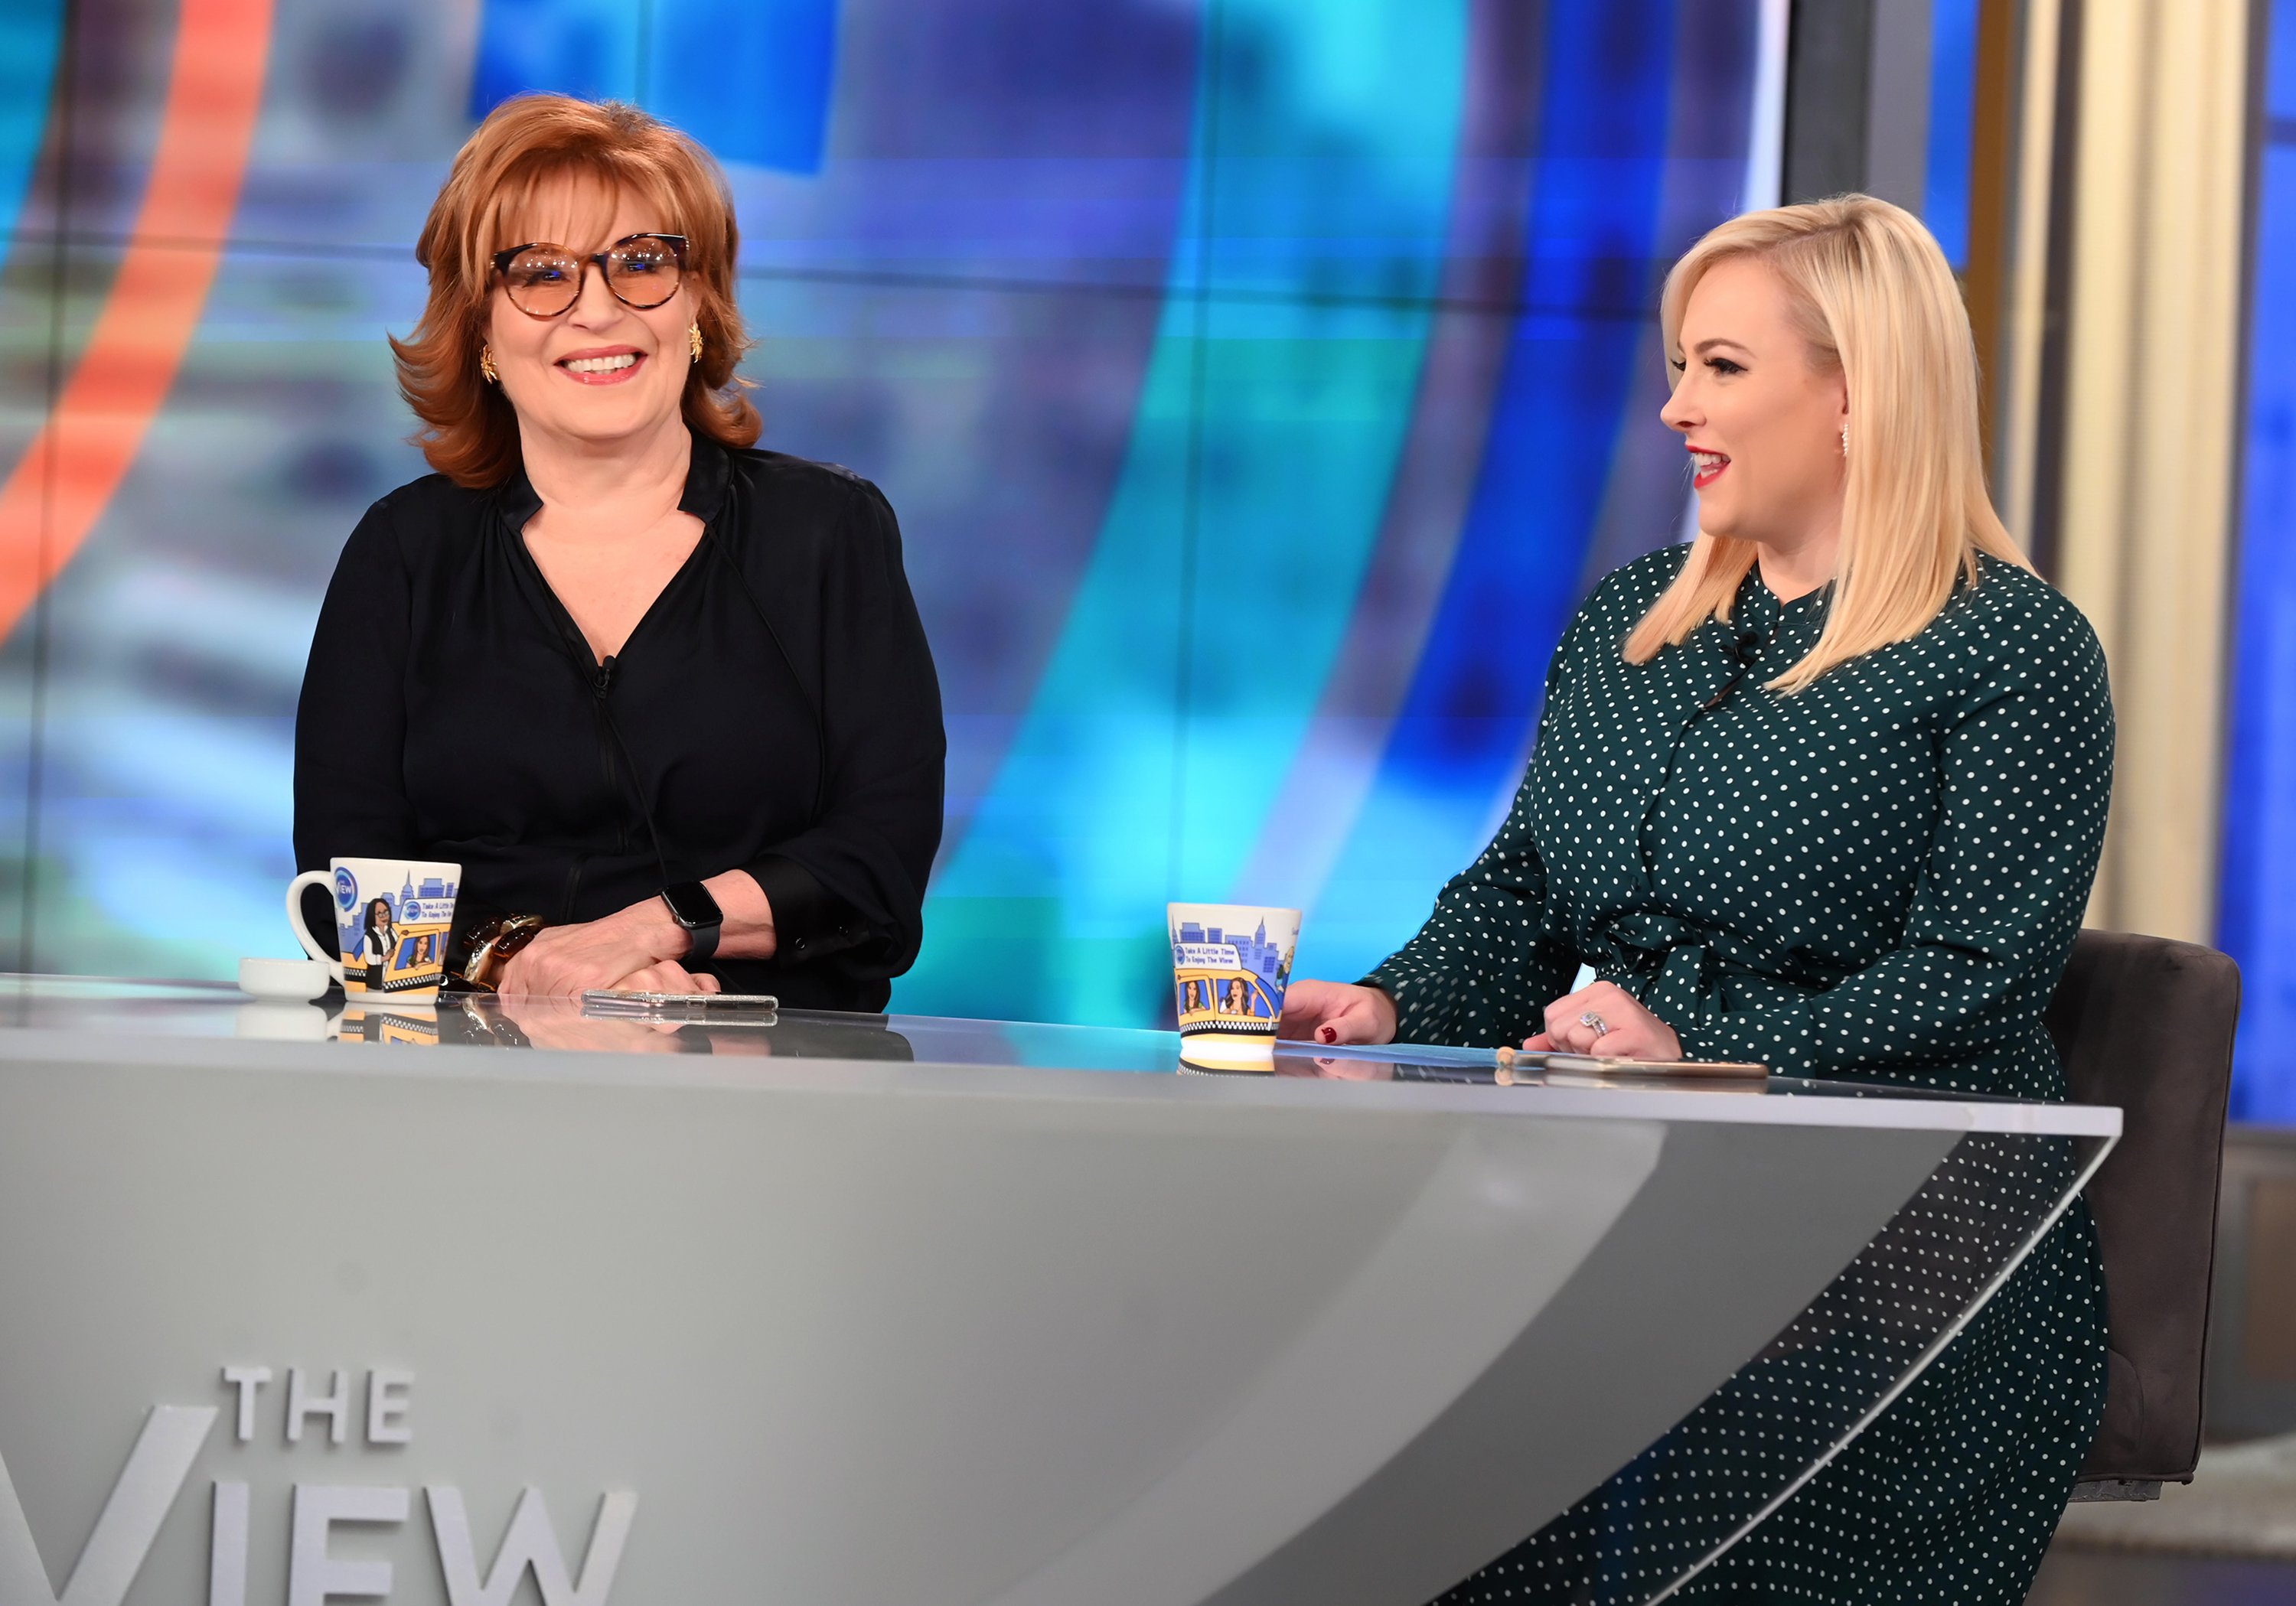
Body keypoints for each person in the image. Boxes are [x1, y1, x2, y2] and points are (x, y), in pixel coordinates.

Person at [1280, 196, 2111, 1604]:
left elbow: (1978, 973)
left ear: (1854, 387)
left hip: (1894, 1257)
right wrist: (1391, 996)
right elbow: (1529, 886)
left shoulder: (2013, 645)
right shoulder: (1633, 615)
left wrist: (1708, 1053)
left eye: (1720, 366)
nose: (1674, 406)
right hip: (1607, 1214)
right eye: (1677, 364)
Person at [295, 96, 945, 1008]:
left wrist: (648, 933)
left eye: (641, 263)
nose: (595, 310)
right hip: (464, 1076)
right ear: (481, 330)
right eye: (539, 273)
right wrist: (520, 962)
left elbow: (879, 862)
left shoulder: (830, 532)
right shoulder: (403, 552)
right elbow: (343, 877)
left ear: (697, 304)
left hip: (766, 1078)